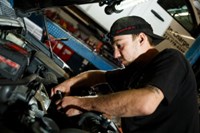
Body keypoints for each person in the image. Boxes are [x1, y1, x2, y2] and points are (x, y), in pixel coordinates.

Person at [51, 16, 200, 133]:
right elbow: (97, 76)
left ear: (141, 39)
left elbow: (146, 103)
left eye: (120, 45)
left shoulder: (171, 59)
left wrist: (82, 103)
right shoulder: (136, 70)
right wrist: (69, 83)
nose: (115, 54)